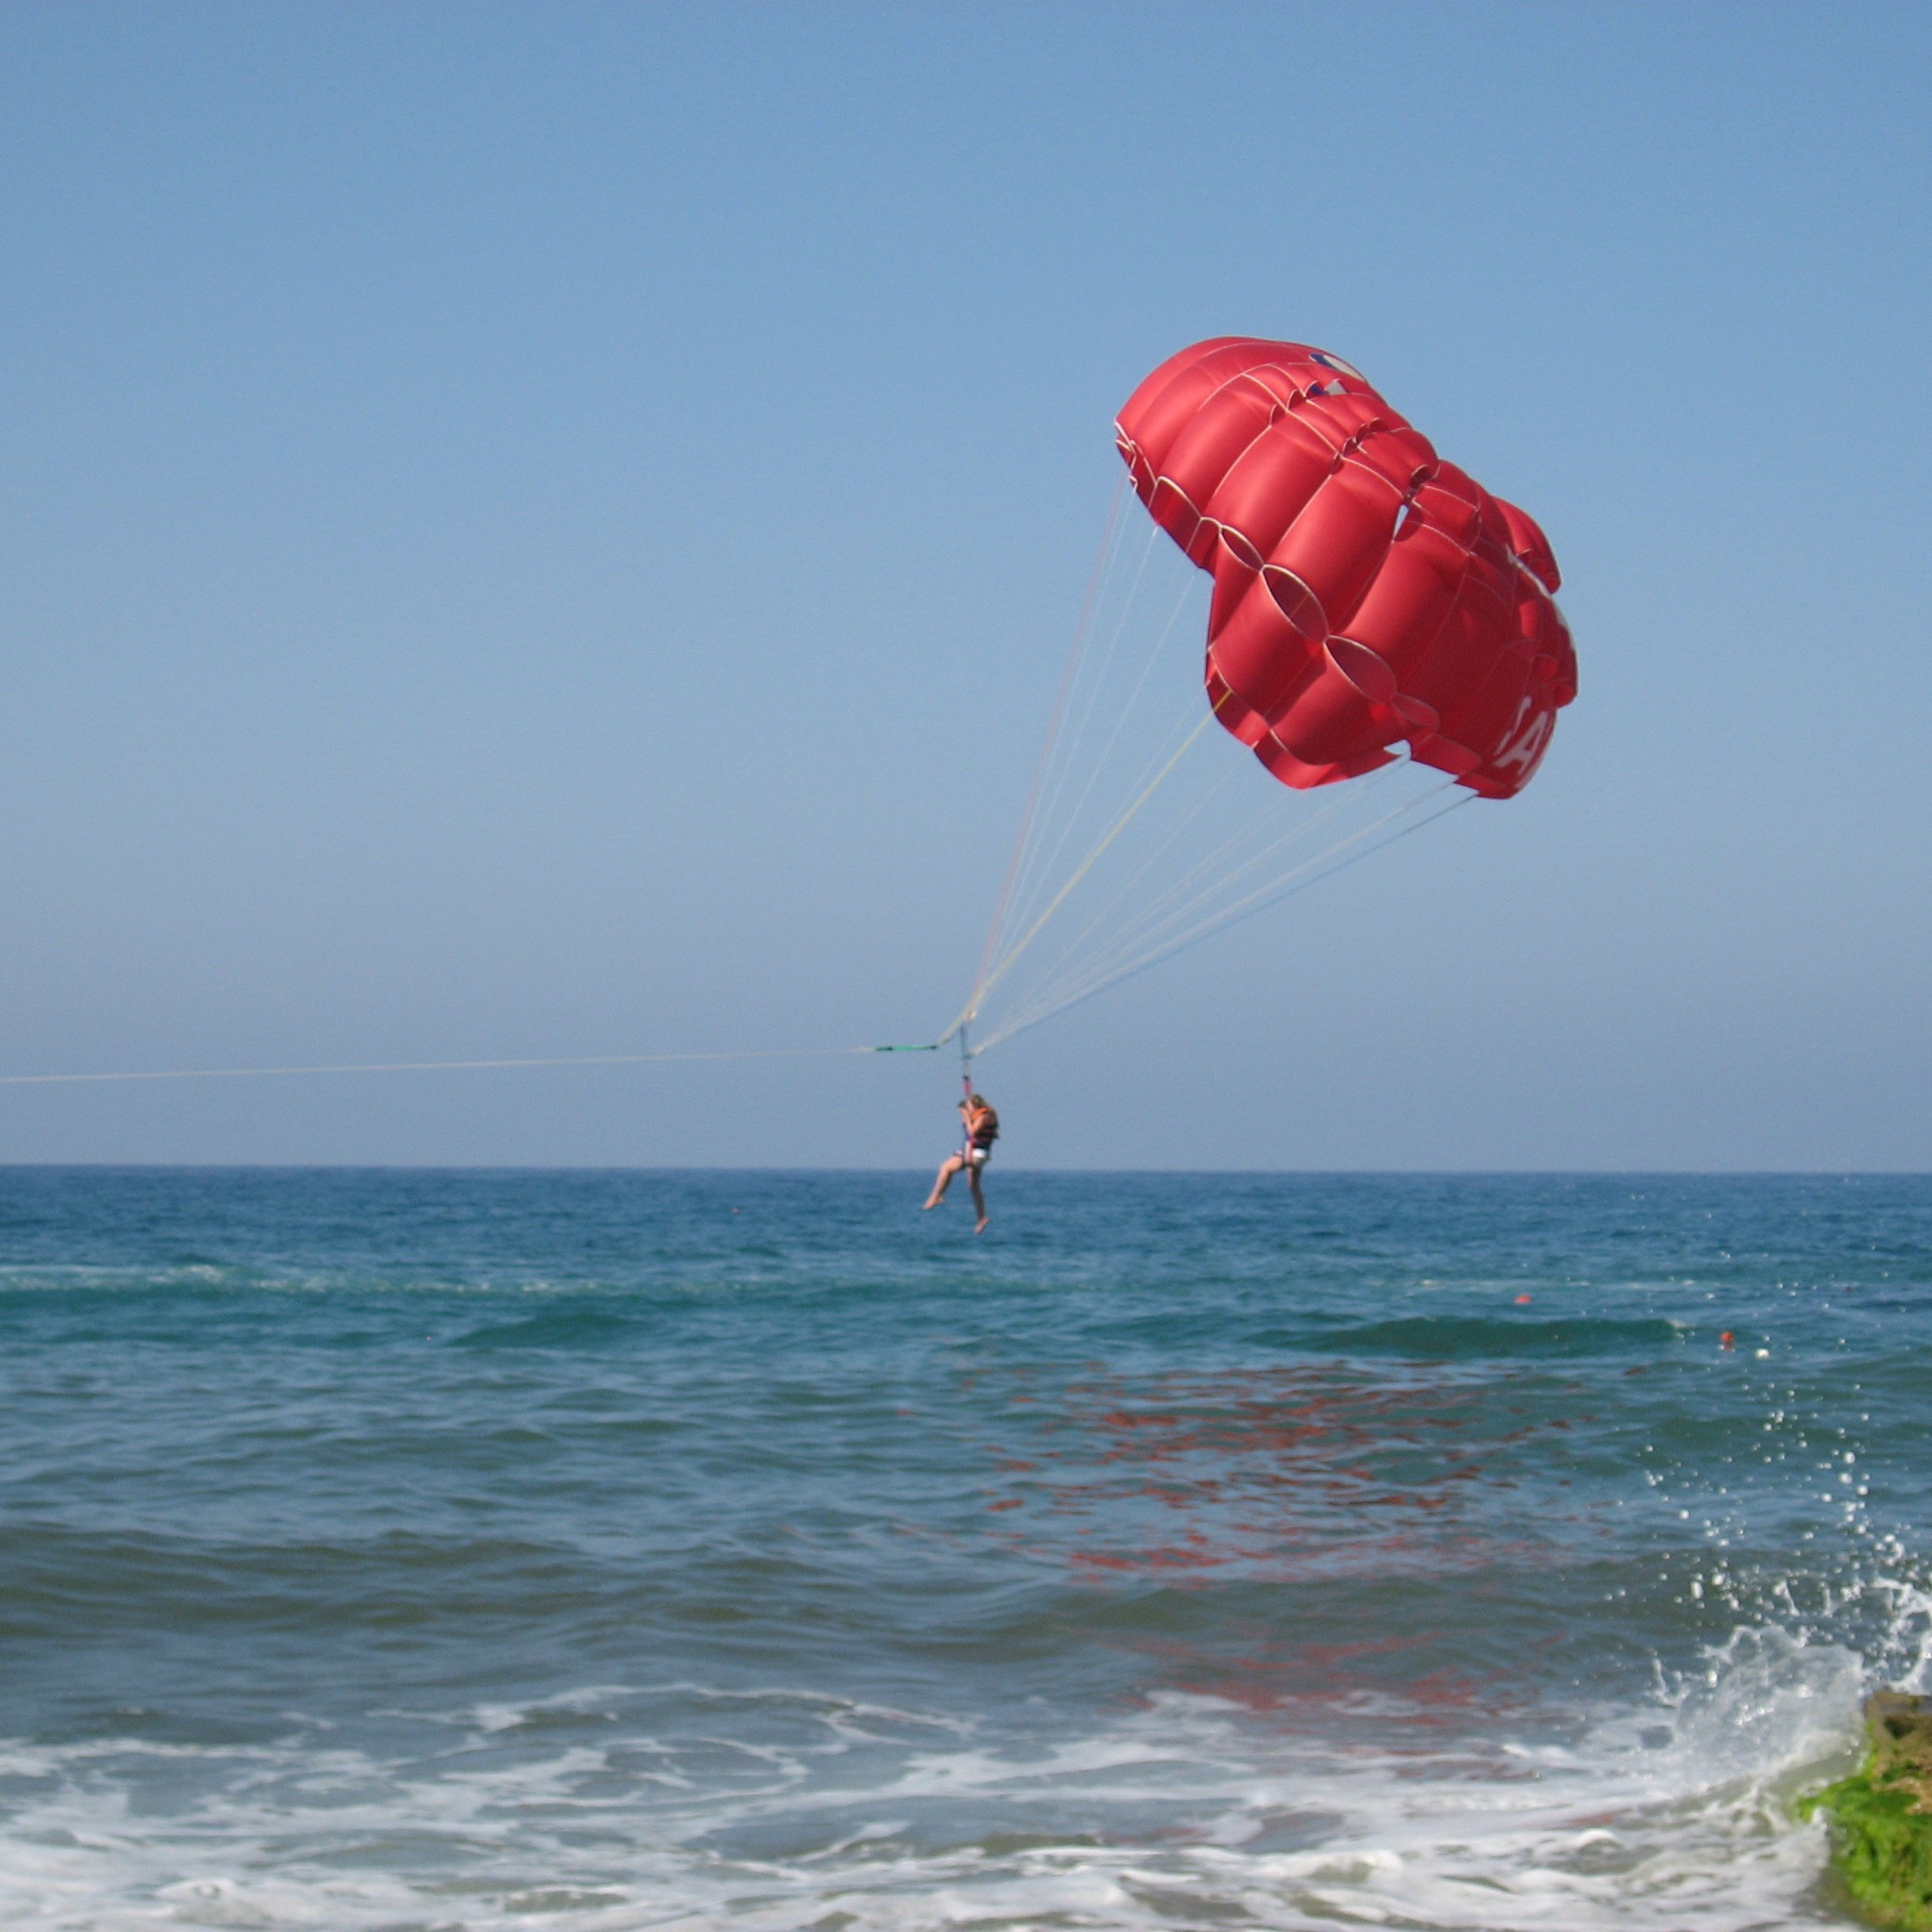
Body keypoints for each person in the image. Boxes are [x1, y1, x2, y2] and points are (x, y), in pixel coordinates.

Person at [923, 1091, 998, 1232]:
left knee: (945, 1167)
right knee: (973, 1186)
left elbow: (972, 1133)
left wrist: (966, 1118)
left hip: (976, 1155)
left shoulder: (983, 1116)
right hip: (978, 1154)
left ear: (974, 1106)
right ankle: (982, 1218)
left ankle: (936, 1196)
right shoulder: (982, 1116)